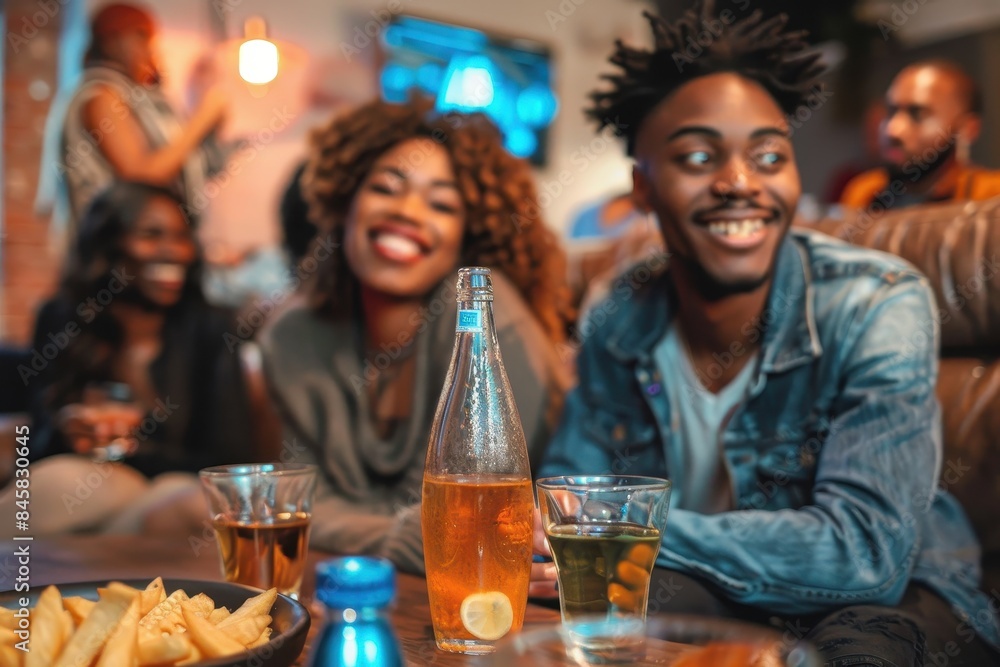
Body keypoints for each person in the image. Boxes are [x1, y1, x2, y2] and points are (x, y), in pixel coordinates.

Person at [534, 4, 1000, 664]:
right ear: (643, 187)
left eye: (769, 154)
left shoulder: (876, 299)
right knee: (598, 627)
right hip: (709, 581)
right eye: (698, 155)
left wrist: (625, 530)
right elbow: (568, 493)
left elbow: (867, 554)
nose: (739, 182)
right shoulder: (620, 310)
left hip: (897, 593)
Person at [258, 98, 573, 574]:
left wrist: (356, 527)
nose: (407, 211)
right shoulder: (293, 339)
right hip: (357, 589)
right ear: (346, 203)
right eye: (386, 188)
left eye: (442, 204)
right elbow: (293, 507)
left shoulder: (484, 317)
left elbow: (465, 524)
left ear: (469, 236)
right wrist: (405, 536)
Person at [9, 181, 265, 535]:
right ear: (109, 244)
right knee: (61, 486)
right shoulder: (62, 317)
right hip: (75, 490)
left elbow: (229, 460)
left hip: (168, 497)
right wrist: (70, 432)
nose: (174, 251)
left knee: (182, 501)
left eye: (181, 236)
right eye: (151, 234)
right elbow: (32, 447)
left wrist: (134, 451)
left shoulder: (212, 327)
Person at [59, 3, 229, 239]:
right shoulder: (101, 95)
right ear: (111, 41)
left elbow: (185, 167)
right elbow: (141, 177)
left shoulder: (135, 99)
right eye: (141, 36)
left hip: (149, 246)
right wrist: (201, 120)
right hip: (115, 251)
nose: (150, 49)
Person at [840, 60, 1000, 211]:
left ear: (967, 128)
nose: (892, 130)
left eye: (917, 114)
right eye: (891, 111)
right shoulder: (864, 193)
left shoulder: (991, 195)